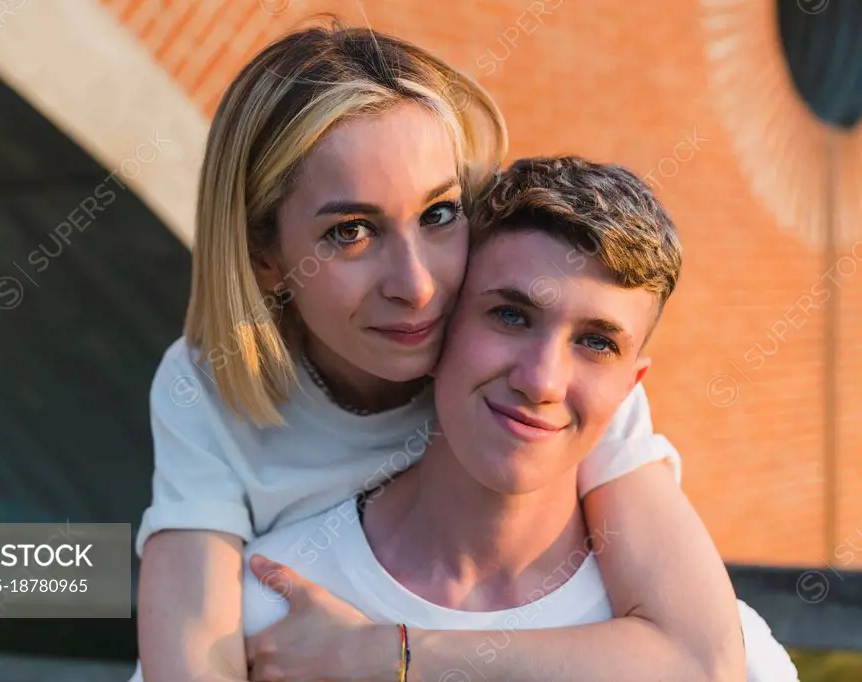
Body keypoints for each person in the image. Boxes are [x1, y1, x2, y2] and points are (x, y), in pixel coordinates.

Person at [134, 22, 745, 682]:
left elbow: (700, 660)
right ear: (265, 259)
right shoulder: (210, 385)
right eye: (351, 232)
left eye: (438, 215)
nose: (418, 285)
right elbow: (192, 656)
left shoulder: (541, 363)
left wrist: (390, 655)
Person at [242, 156, 799, 682]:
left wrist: (397, 654)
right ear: (437, 330)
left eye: (597, 343)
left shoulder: (735, 656)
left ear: (630, 387)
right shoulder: (275, 608)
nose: (541, 381)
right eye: (510, 315)